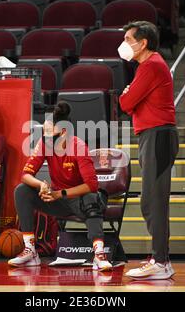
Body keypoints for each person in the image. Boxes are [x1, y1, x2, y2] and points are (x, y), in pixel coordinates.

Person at [9, 102, 112, 271]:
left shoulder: (78, 146)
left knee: (91, 198)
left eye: (49, 133)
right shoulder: (44, 145)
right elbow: (25, 175)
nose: (45, 137)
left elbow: (92, 185)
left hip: (79, 201)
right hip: (57, 201)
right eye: (44, 133)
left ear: (63, 132)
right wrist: (41, 184)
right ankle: (30, 250)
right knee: (22, 191)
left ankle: (99, 254)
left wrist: (60, 194)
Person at [119, 21, 178, 280]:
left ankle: (161, 261)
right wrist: (129, 96)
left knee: (154, 201)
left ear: (143, 43)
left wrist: (127, 95)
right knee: (150, 200)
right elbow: (131, 102)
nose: (124, 44)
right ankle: (160, 257)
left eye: (129, 39)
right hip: (152, 136)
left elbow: (126, 102)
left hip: (158, 136)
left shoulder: (151, 65)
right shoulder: (150, 65)